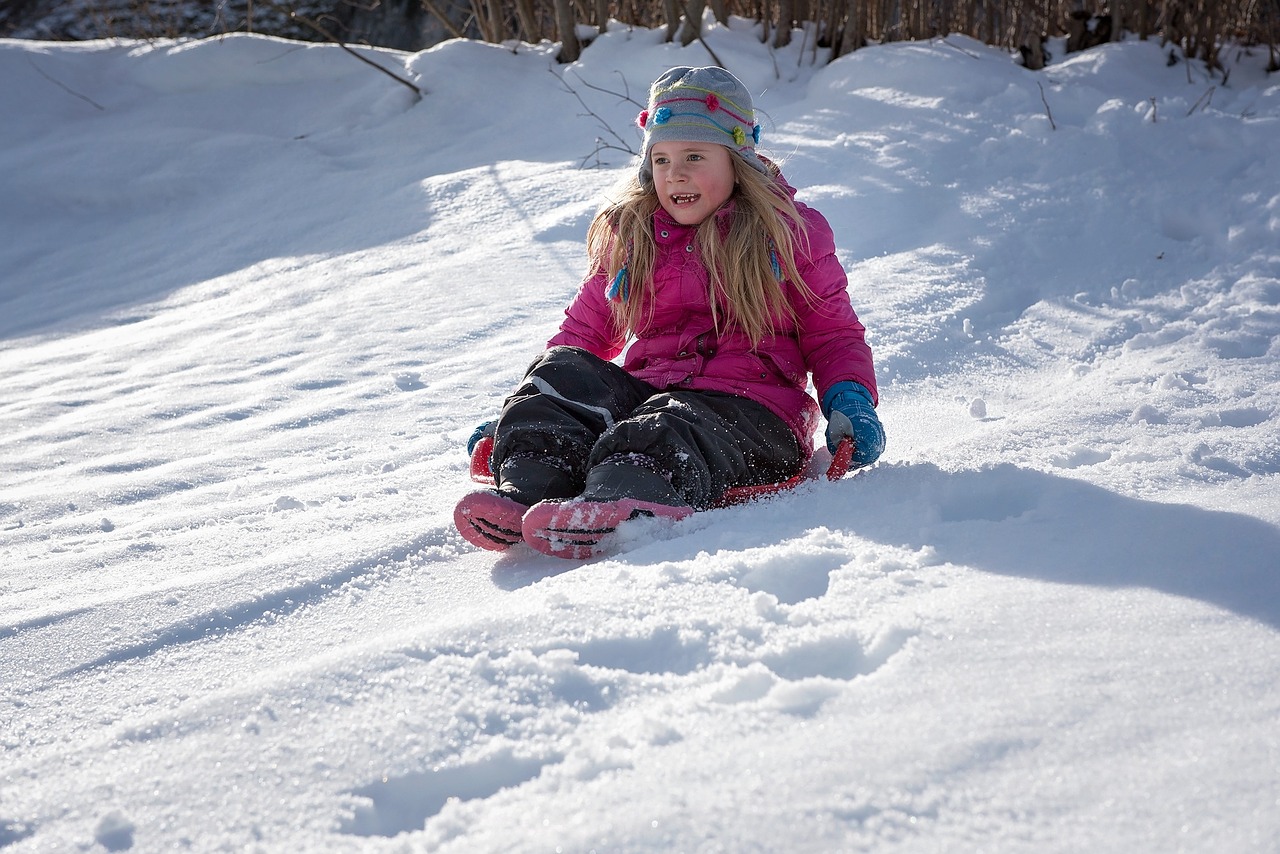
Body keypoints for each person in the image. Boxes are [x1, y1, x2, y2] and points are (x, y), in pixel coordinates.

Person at [454, 65, 884, 559]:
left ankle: (622, 498)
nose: (675, 173)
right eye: (661, 159)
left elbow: (833, 334)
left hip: (752, 416)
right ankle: (529, 483)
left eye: (694, 156)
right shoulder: (634, 237)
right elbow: (583, 333)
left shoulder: (789, 235)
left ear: (737, 160)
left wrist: (850, 401)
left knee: (663, 425)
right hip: (653, 397)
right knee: (562, 371)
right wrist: (522, 409)